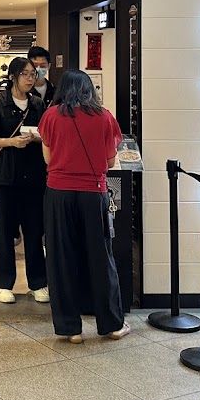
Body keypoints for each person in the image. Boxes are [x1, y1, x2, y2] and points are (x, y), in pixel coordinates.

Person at [39, 69, 130, 343]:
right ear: (90, 90)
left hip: (59, 193)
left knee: (61, 257)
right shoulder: (104, 117)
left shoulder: (51, 116)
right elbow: (110, 161)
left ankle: (70, 329)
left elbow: (47, 157)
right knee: (101, 256)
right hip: (94, 192)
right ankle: (112, 324)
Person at [0, 56, 48, 304]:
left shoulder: (38, 104)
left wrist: (37, 139)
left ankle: (38, 283)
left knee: (34, 229)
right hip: (7, 174)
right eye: (26, 74)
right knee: (5, 229)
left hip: (34, 174)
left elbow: (46, 134)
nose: (31, 79)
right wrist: (11, 142)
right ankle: (2, 283)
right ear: (13, 77)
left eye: (34, 74)